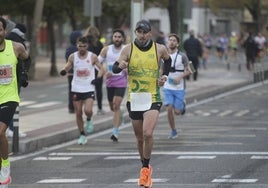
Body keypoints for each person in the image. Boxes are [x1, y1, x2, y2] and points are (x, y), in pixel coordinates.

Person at [112, 19, 171, 188]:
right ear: (135, 32)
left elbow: (168, 61)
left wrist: (164, 76)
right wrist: (121, 65)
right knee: (139, 138)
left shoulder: (159, 48)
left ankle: (145, 169)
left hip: (153, 97)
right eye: (139, 31)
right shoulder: (128, 49)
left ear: (150, 33)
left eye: (145, 32)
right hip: (135, 98)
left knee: (147, 133)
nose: (142, 35)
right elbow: (114, 68)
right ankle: (144, 164)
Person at [0, 17, 30, 185]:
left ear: (5, 31)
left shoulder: (16, 47)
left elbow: (27, 59)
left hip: (9, 97)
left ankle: (5, 165)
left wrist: (24, 74)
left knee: (0, 132)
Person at [60, 36, 104, 145]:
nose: (82, 48)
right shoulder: (73, 56)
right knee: (78, 112)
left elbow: (101, 68)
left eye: (84, 46)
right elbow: (68, 66)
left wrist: (98, 79)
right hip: (76, 87)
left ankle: (89, 119)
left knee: (88, 110)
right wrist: (63, 71)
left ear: (87, 46)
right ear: (77, 45)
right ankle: (82, 134)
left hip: (88, 87)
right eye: (80, 46)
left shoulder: (92, 56)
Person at [98, 29, 127, 142]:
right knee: (112, 107)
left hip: (121, 81)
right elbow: (97, 62)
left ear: (123, 38)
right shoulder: (106, 49)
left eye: (119, 37)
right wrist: (104, 71)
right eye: (115, 36)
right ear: (113, 38)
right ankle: (120, 112)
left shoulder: (126, 50)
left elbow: (131, 63)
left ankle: (115, 131)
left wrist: (126, 69)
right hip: (110, 81)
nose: (117, 39)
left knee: (116, 105)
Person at [163, 33, 191, 139]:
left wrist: (180, 77)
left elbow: (190, 70)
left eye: (174, 40)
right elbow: (161, 70)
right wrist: (161, 78)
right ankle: (173, 130)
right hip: (167, 87)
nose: (172, 42)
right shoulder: (164, 56)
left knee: (177, 112)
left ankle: (182, 105)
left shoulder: (182, 56)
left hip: (179, 88)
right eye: (170, 40)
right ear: (167, 42)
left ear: (178, 44)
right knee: (169, 108)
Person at [5, 23, 29, 138]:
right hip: (14, 79)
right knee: (13, 105)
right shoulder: (18, 41)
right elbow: (26, 59)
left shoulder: (12, 40)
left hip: (14, 78)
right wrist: (24, 74)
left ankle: (11, 129)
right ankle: (10, 129)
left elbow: (26, 58)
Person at [83, 26, 105, 115]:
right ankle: (99, 108)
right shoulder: (99, 44)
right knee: (98, 90)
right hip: (98, 69)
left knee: (87, 90)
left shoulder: (84, 43)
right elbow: (103, 57)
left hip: (87, 70)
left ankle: (87, 108)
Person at [65, 30, 82, 113]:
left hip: (70, 73)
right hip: (76, 73)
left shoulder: (69, 48)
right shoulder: (76, 48)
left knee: (71, 90)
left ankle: (71, 107)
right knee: (77, 90)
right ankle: (75, 106)